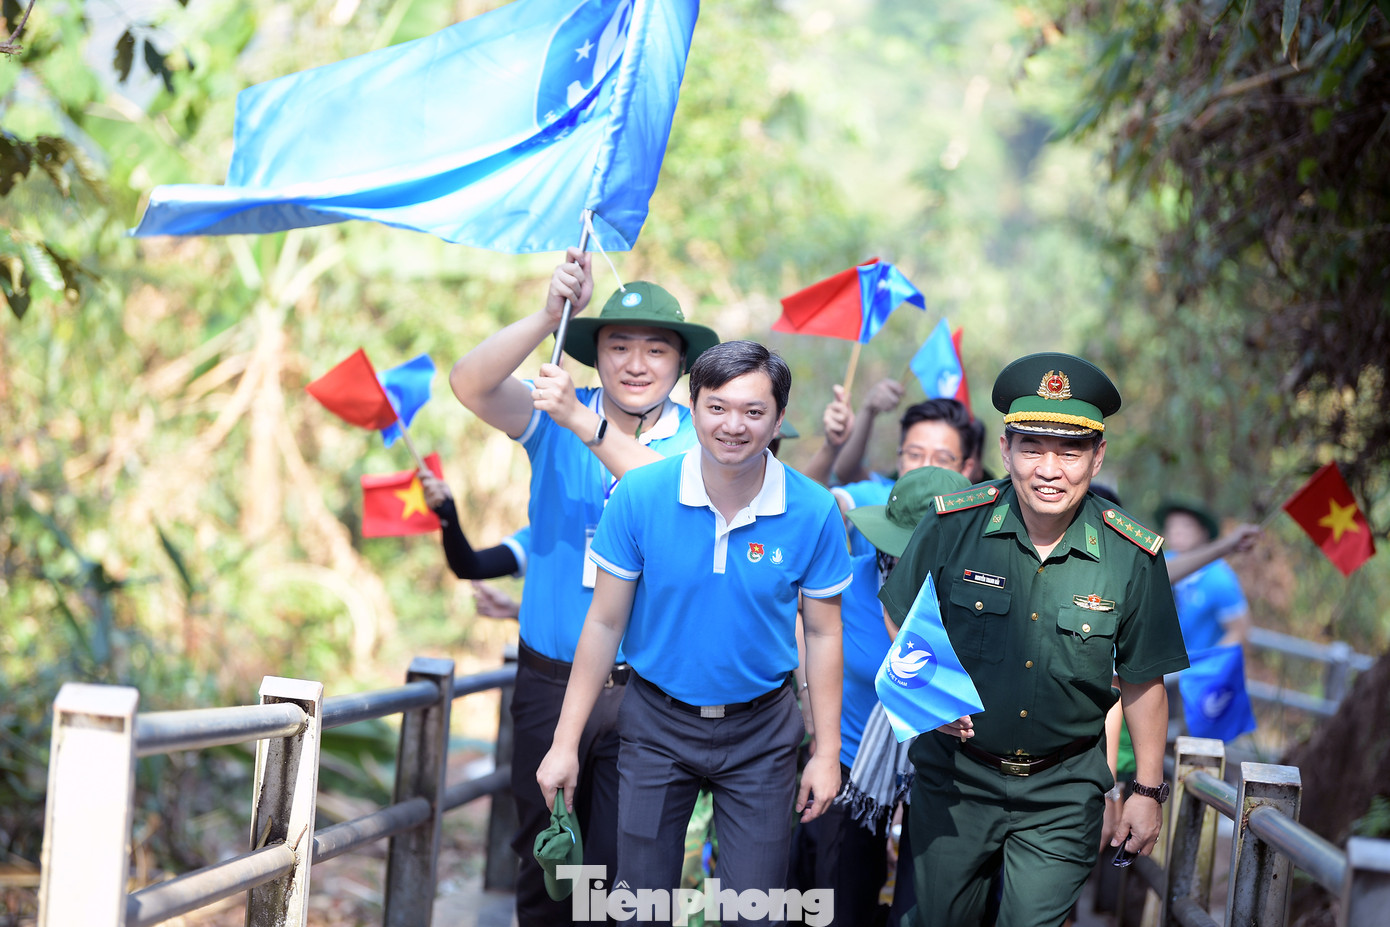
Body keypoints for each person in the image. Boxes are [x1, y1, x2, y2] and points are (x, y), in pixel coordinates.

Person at [449, 248, 720, 926]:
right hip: (549, 681)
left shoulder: (701, 443)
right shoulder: (556, 411)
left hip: (649, 692)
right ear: (595, 354)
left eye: (656, 349)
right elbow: (470, 383)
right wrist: (545, 315)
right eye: (618, 345)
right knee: (549, 858)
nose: (635, 362)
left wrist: (586, 424)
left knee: (628, 868)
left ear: (680, 364)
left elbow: (668, 496)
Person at [536, 341, 851, 914]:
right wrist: (564, 744)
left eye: (754, 412)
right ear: (694, 405)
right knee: (640, 905)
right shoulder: (640, 495)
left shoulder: (814, 510)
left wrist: (826, 752)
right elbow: (605, 623)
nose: (734, 426)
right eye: (717, 407)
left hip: (762, 731)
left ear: (779, 419)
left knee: (755, 909)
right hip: (656, 722)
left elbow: (825, 634)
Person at [878, 352, 1189, 927]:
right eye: (1032, 449)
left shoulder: (1132, 555)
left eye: (1070, 451)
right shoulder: (953, 525)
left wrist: (1146, 791)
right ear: (1005, 450)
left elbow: (1145, 679)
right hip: (956, 779)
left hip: (1063, 792)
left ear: (1097, 456)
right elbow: (899, 611)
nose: (1049, 469)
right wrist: (928, 693)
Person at [1156, 499, 1257, 650]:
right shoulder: (1158, 563)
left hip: (1195, 669)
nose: (1177, 531)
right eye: (1171, 526)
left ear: (1204, 532)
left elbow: (1240, 630)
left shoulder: (1219, 578)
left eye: (1186, 525)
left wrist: (1206, 665)